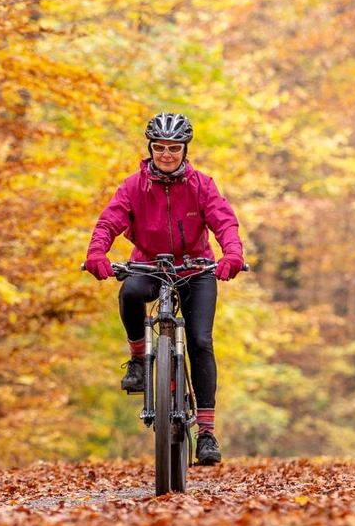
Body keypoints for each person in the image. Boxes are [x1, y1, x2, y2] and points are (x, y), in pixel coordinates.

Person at [85, 112, 244, 466]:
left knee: (201, 341)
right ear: (151, 149)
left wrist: (232, 254)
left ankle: (206, 433)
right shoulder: (132, 186)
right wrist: (97, 252)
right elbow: (110, 220)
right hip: (148, 264)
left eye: (175, 148)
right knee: (128, 292)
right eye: (160, 147)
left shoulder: (202, 185)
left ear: (185, 150)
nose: (167, 154)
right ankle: (140, 359)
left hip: (196, 268)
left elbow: (224, 221)